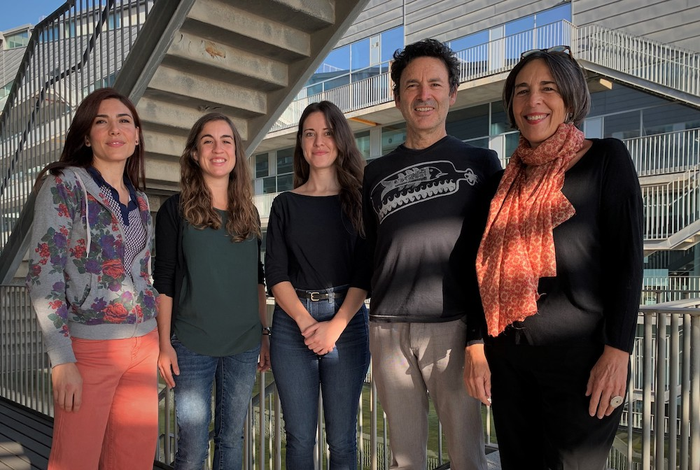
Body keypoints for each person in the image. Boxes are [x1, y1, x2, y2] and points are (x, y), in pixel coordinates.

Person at [464, 45, 644, 469]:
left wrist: (618, 351)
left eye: (548, 88)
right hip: (509, 361)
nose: (534, 101)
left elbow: (628, 261)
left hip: (582, 364)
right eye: (522, 91)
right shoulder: (500, 184)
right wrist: (475, 344)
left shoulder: (605, 159)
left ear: (570, 97)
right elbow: (478, 269)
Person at [362, 39, 500, 470]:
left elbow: (491, 255)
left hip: (454, 328)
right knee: (405, 459)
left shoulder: (482, 163)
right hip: (387, 329)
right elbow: (372, 249)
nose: (424, 94)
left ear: (452, 93)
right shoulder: (374, 173)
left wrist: (479, 338)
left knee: (467, 456)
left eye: (435, 84)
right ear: (397, 95)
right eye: (412, 85)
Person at [25, 87, 159, 470]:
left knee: (133, 459)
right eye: (102, 121)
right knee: (76, 460)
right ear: (87, 135)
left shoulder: (141, 200)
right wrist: (61, 359)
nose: (114, 129)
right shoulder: (65, 184)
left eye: (124, 121)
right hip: (90, 348)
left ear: (136, 136)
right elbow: (44, 273)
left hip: (143, 343)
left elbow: (143, 271)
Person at [154, 112, 271, 470]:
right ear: (194, 153)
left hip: (243, 344)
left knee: (231, 441)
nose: (218, 148)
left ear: (236, 152)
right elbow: (165, 280)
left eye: (226, 141)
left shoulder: (248, 212)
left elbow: (257, 278)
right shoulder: (175, 210)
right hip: (192, 345)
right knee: (190, 452)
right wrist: (163, 345)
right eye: (208, 141)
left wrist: (263, 335)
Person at [265, 100, 370, 470]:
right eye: (309, 133)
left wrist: (335, 326)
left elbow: (365, 272)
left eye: (327, 132)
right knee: (299, 440)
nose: (318, 140)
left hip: (348, 321)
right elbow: (275, 273)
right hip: (292, 325)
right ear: (301, 144)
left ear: (340, 140)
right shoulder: (285, 204)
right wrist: (307, 323)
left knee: (342, 441)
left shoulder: (358, 200)